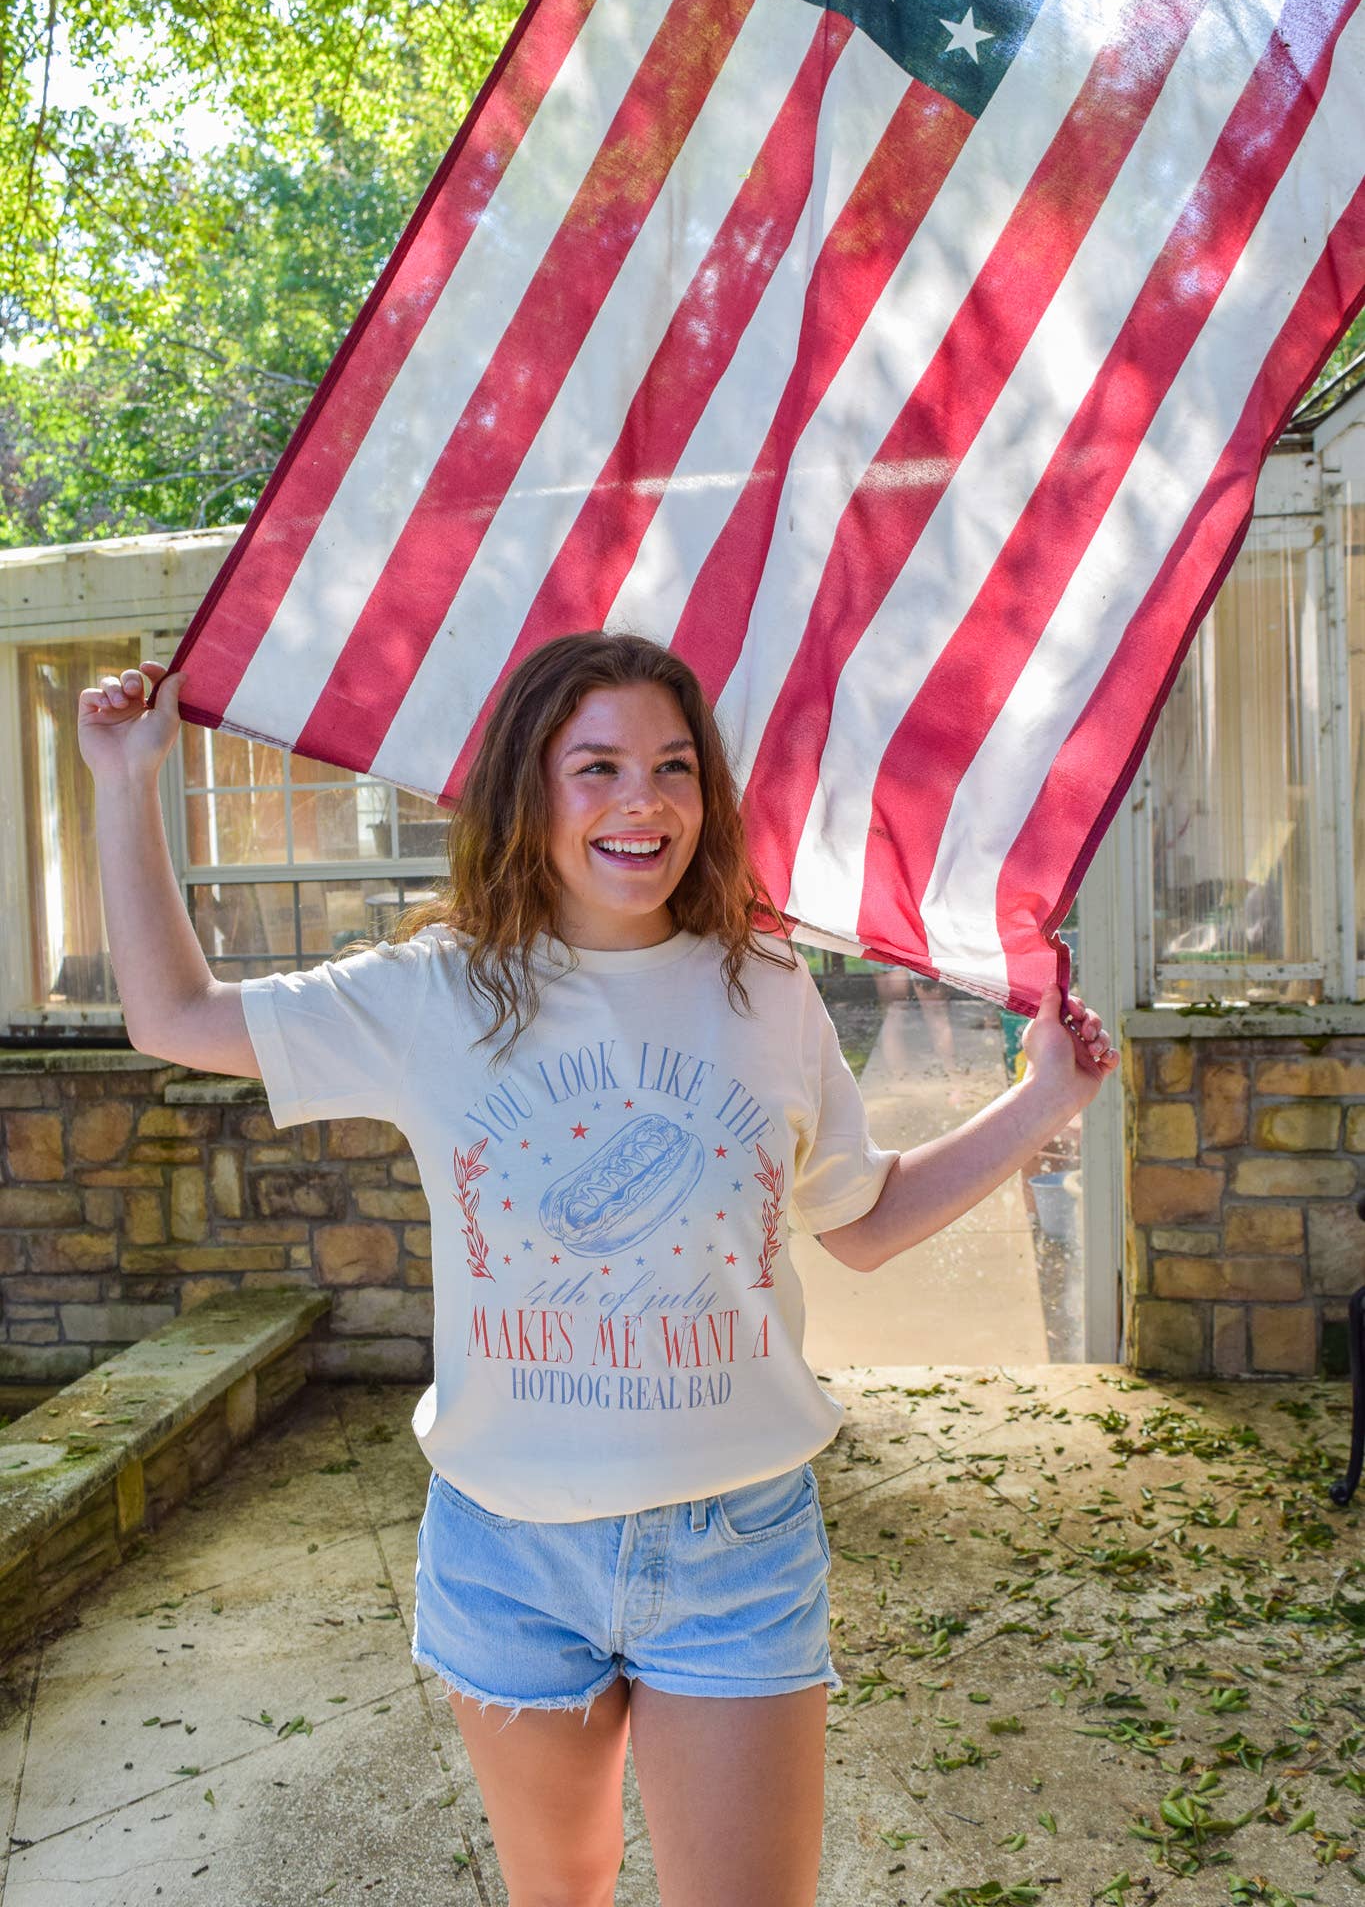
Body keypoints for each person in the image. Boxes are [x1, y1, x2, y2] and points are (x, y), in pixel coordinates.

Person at [79, 630, 1119, 1907]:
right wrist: (124, 780)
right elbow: (173, 1016)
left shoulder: (766, 983)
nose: (645, 800)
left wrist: (1041, 1100)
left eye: (675, 766)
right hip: (505, 1549)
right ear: (528, 787)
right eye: (600, 765)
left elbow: (862, 1216)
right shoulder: (436, 991)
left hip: (733, 1542)